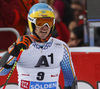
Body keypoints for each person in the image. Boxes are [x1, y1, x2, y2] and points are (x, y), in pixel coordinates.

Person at [0, 3, 77, 89]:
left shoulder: (61, 47)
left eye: (49, 22)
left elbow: (70, 81)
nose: (45, 27)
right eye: (40, 22)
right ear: (32, 23)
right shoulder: (22, 45)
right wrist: (14, 49)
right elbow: (1, 71)